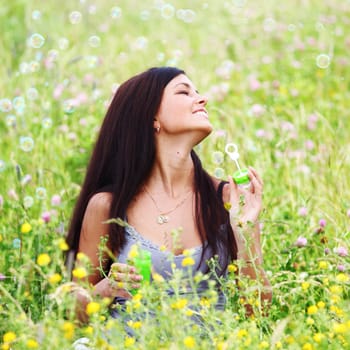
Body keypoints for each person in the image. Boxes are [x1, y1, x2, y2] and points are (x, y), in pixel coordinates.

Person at [65, 66, 272, 323]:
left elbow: (258, 313)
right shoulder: (108, 206)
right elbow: (73, 314)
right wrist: (106, 290)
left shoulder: (226, 199)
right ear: (152, 116)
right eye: (184, 92)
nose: (202, 98)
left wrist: (247, 232)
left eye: (197, 91)